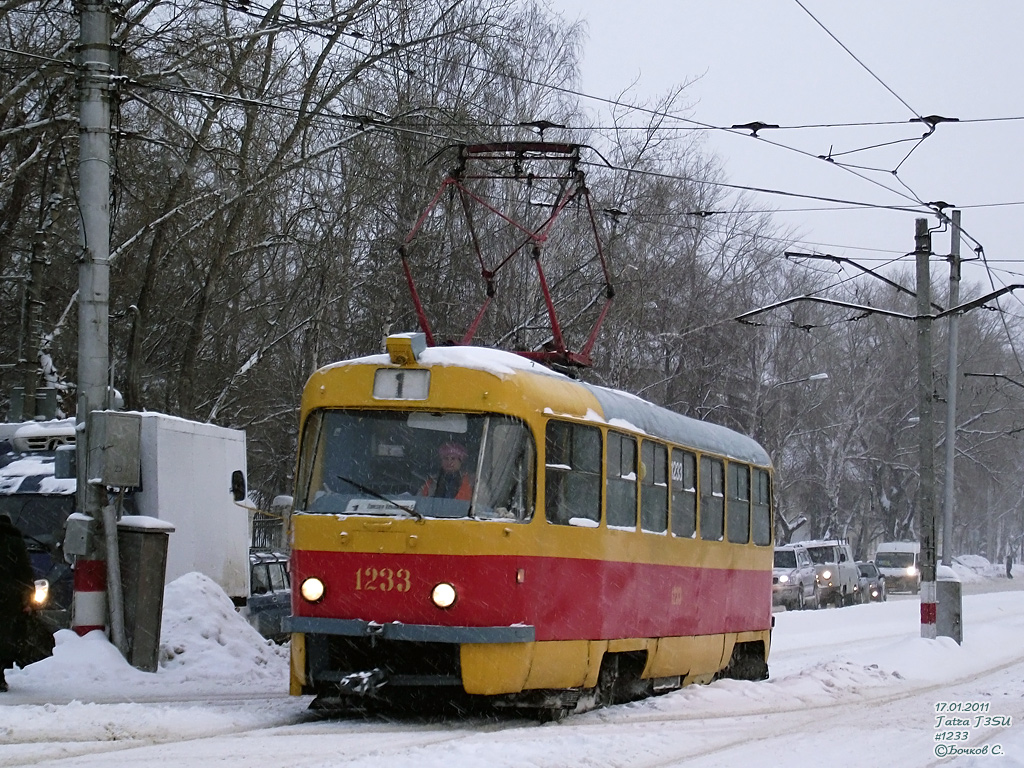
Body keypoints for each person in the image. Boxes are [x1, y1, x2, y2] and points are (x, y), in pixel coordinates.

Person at [0, 512, 34, 692]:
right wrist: (28, 599)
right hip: (10, 597)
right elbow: (25, 572)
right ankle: (0, 675)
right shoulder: (15, 541)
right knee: (5, 635)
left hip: (8, 595)